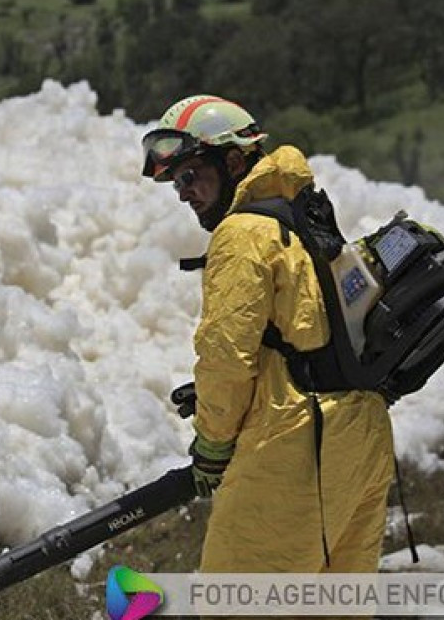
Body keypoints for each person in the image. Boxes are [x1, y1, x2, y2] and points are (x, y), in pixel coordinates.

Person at [140, 95, 395, 572]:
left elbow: (225, 355)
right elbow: (302, 330)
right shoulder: (303, 213)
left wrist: (212, 448)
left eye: (190, 175)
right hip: (362, 435)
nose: (181, 191)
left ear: (234, 160)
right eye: (176, 182)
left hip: (296, 449)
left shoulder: (241, 235)